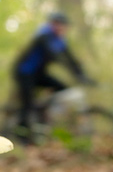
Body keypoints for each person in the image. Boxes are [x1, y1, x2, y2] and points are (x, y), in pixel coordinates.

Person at [12, 12, 91, 140]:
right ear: (52, 24)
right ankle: (22, 136)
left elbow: (70, 59)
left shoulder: (59, 41)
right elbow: (55, 55)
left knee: (64, 89)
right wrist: (71, 69)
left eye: (64, 26)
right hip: (25, 73)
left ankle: (44, 116)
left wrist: (82, 75)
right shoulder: (43, 36)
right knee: (27, 104)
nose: (62, 28)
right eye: (59, 25)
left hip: (39, 74)